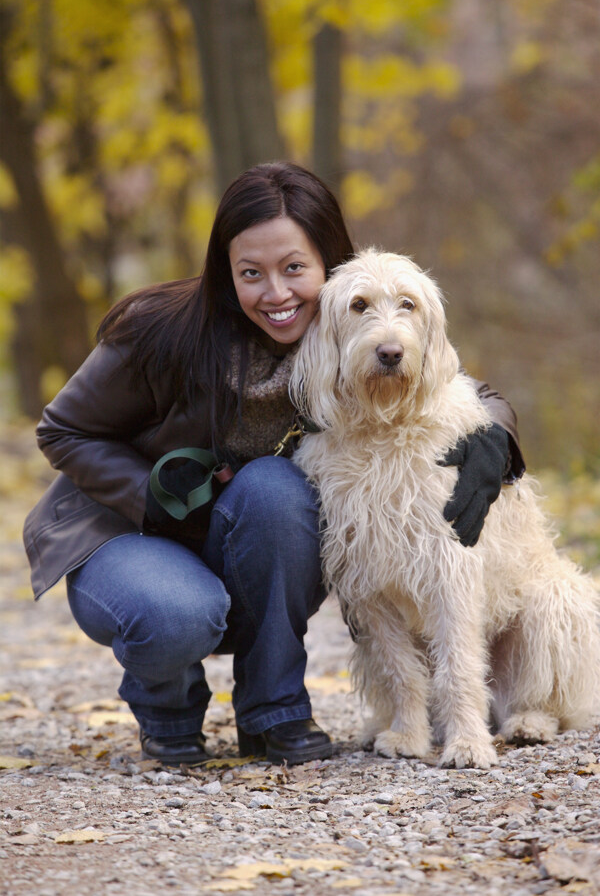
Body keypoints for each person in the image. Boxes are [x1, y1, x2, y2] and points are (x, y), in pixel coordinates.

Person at [23, 162, 525, 767]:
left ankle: (273, 711)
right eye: (251, 274)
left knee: (278, 489)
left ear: (329, 265)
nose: (277, 293)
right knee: (178, 613)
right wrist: (149, 493)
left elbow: (445, 379)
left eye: (294, 269)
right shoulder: (159, 330)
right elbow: (62, 427)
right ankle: (168, 709)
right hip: (125, 534)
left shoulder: (346, 326)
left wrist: (496, 436)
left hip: (237, 529)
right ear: (225, 272)